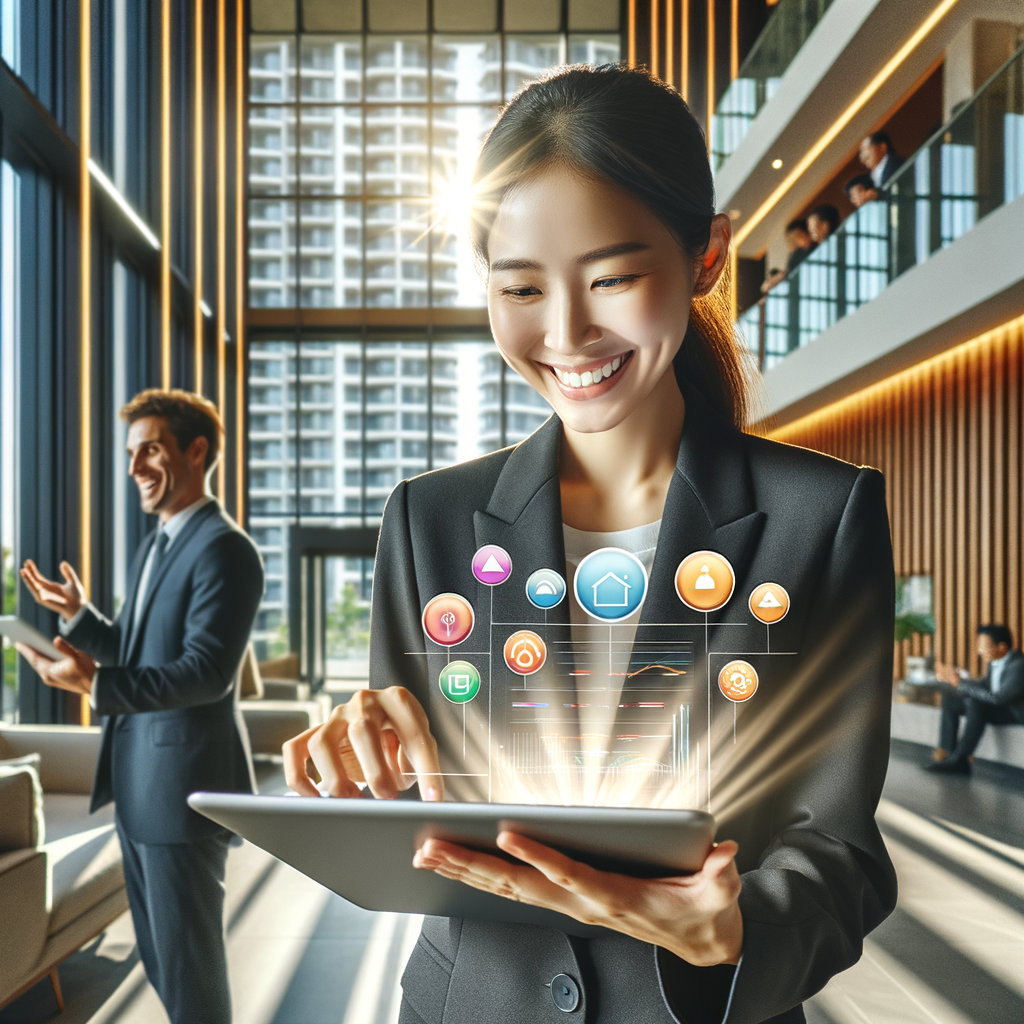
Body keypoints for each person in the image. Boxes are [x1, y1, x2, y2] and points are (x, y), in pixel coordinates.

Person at [284, 66, 897, 1024]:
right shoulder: (430, 521)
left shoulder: (823, 518)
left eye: (613, 277)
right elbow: (415, 803)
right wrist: (359, 764)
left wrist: (730, 934)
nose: (567, 333)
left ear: (705, 258)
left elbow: (841, 852)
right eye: (520, 286)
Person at [16, 389, 264, 1024]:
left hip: (181, 789)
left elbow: (205, 674)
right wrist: (77, 616)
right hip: (136, 785)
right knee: (161, 961)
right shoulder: (158, 544)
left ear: (196, 451)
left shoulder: (224, 548)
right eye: (131, 454)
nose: (134, 468)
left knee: (190, 973)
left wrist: (93, 684)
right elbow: (136, 649)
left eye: (149, 450)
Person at [927, 624, 1024, 774]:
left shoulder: (1018, 665)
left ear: (1002, 647)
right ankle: (949, 753)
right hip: (995, 707)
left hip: (1013, 712)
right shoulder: (995, 662)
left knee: (975, 703)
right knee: (951, 702)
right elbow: (984, 687)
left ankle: (960, 760)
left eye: (984, 646)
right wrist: (960, 680)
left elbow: (998, 699)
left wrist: (961, 683)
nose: (979, 650)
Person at [760, 218, 814, 293]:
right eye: (790, 240)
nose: (793, 243)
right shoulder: (795, 257)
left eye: (797, 237)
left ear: (808, 234)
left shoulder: (813, 252)